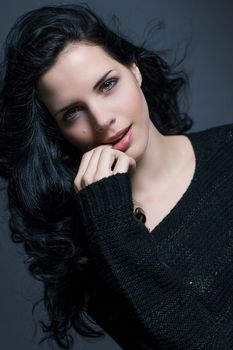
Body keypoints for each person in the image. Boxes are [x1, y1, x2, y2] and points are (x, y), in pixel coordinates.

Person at [0, 3, 233, 350]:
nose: (101, 120)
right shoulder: (94, 247)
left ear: (134, 70)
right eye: (72, 112)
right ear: (58, 132)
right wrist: (113, 226)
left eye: (107, 85)